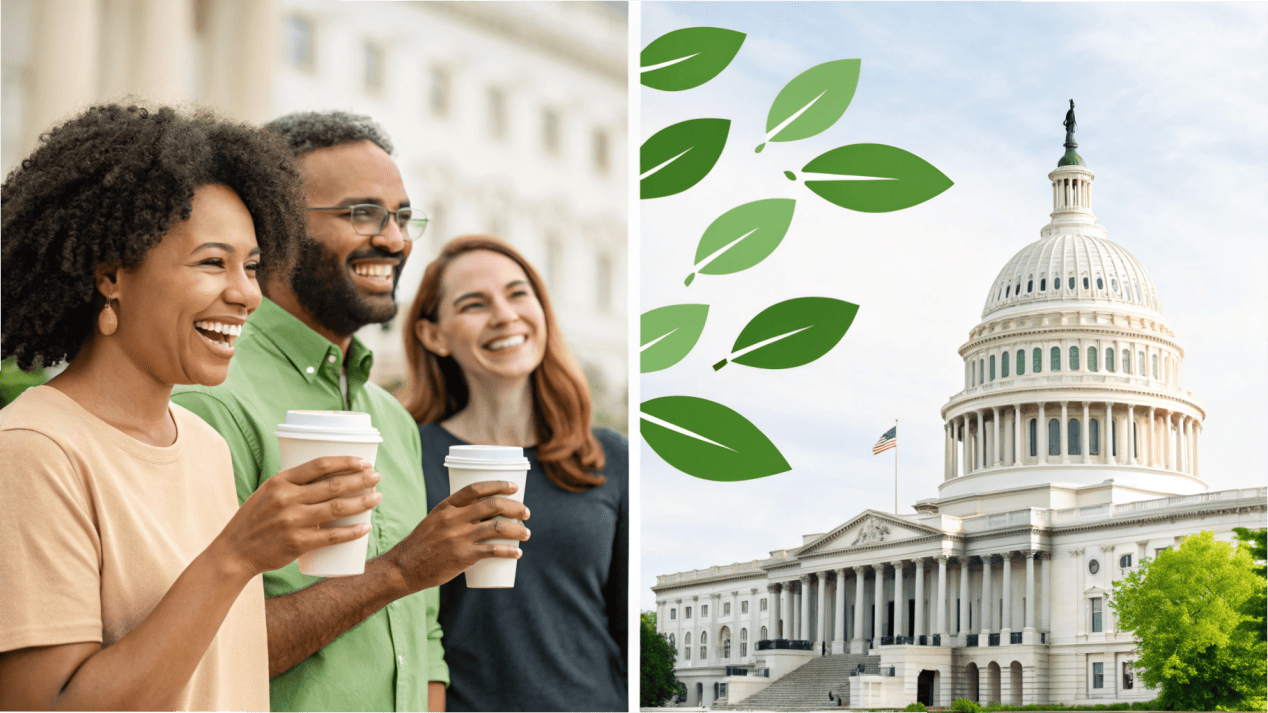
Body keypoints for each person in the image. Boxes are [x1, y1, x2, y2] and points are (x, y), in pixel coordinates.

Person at [0, 104, 383, 711]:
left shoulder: (204, 445)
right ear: (110, 276)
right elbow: (46, 704)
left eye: (253, 267)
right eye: (213, 262)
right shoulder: (34, 450)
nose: (247, 294)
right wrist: (236, 556)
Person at [171, 111, 530, 712]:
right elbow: (195, 651)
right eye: (362, 214)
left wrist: (409, 580)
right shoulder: (209, 397)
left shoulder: (390, 420)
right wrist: (398, 570)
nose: (394, 240)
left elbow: (424, 635)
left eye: (403, 218)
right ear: (272, 228)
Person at [406, 235, 628, 712]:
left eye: (518, 293)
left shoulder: (610, 458)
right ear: (433, 335)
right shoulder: (408, 455)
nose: (505, 315)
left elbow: (629, 628)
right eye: (473, 304)